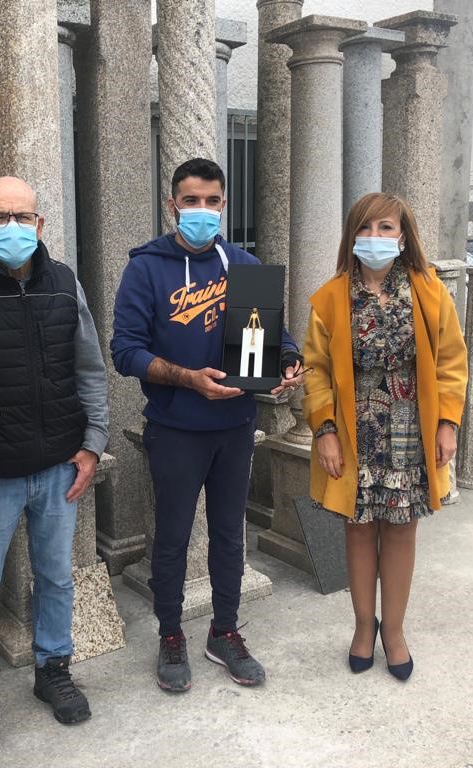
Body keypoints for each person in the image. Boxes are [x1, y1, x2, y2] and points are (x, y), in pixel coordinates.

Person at [111, 157, 304, 693]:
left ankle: (224, 631)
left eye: (212, 201)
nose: (202, 210)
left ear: (224, 204)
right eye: (191, 201)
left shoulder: (244, 266)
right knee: (172, 539)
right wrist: (187, 379)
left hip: (235, 426)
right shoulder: (146, 269)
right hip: (175, 429)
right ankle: (170, 634)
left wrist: (287, 363)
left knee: (229, 536)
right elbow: (124, 351)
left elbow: (274, 336)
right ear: (172, 204)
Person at [0, 176, 109, 762]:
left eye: (23, 216)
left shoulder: (64, 282)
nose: (13, 227)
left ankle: (53, 668)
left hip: (60, 466)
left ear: (40, 224)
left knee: (57, 577)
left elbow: (90, 368)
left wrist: (93, 443)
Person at [301, 192, 468, 681]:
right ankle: (362, 626)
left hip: (409, 431)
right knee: (357, 529)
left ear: (403, 236)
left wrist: (448, 422)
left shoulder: (429, 291)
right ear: (352, 235)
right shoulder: (330, 298)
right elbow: (315, 370)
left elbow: (452, 361)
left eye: (386, 228)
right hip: (355, 434)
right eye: (365, 227)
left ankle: (393, 631)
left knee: (400, 529)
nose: (374, 237)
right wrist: (324, 430)